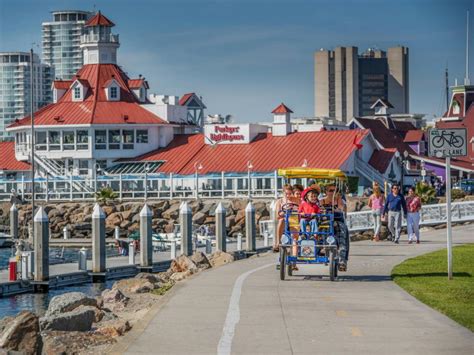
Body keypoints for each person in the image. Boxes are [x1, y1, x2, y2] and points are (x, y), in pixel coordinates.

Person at [320, 184, 349, 271]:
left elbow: (342, 209)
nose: (332, 192)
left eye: (334, 191)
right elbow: (319, 211)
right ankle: (324, 247)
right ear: (326, 192)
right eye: (330, 190)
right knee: (322, 228)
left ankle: (342, 261)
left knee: (342, 238)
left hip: (337, 222)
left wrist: (337, 207)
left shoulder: (339, 200)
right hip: (326, 223)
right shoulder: (322, 201)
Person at [273, 184, 297, 252]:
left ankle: (294, 245)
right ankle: (278, 242)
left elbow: (300, 210)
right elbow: (277, 215)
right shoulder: (279, 201)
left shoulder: (296, 200)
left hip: (293, 218)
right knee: (281, 220)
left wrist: (294, 209)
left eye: (290, 193)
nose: (288, 195)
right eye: (286, 194)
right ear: (283, 193)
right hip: (284, 218)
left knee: (293, 222)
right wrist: (283, 212)